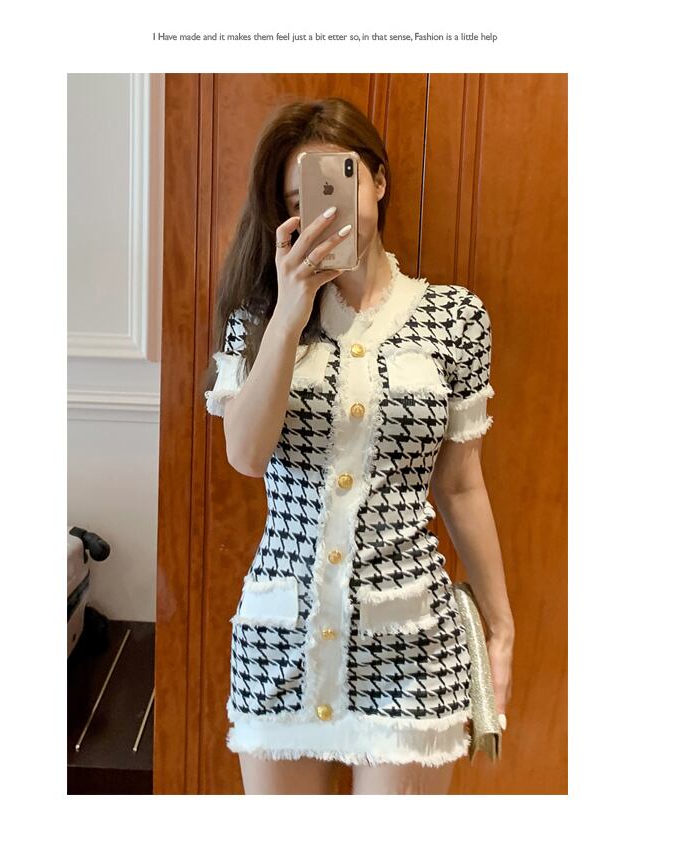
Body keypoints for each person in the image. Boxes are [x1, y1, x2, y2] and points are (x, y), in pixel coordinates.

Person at [203, 97, 514, 795]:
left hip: (413, 641)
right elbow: (245, 456)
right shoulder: (257, 317)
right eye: (300, 201)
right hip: (280, 638)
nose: (326, 212)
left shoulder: (454, 318)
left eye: (339, 183)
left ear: (377, 180)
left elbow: (461, 484)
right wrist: (290, 313)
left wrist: (501, 626)